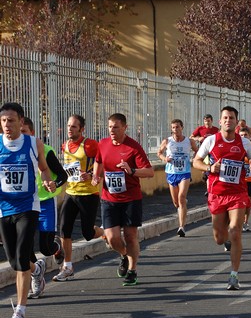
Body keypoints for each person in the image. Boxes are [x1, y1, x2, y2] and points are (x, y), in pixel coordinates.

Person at [0, 102, 55, 318]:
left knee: (21, 258)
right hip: (4, 209)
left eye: (11, 120)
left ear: (21, 122)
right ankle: (38, 269)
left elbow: (43, 168)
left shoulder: (34, 143)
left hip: (28, 207)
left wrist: (45, 179)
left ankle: (20, 314)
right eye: (3, 121)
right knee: (14, 262)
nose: (7, 125)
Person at [193, 105, 251, 290]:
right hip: (217, 194)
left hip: (238, 193)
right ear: (220, 121)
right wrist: (209, 168)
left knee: (236, 230)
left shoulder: (244, 143)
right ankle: (226, 239)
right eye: (225, 118)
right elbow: (196, 162)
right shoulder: (211, 141)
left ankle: (234, 275)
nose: (228, 120)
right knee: (219, 238)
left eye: (231, 118)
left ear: (237, 122)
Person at [92, 113, 154, 286]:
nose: (112, 130)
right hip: (109, 197)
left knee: (130, 235)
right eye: (110, 126)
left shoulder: (133, 147)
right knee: (112, 238)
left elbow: (149, 172)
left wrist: (131, 170)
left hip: (130, 198)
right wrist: (96, 175)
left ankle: (133, 271)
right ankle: (125, 254)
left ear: (125, 128)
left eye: (116, 127)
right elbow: (98, 161)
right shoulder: (103, 144)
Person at [53, 114, 104, 282]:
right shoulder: (65, 145)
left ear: (82, 129)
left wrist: (90, 175)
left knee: (88, 233)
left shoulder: (90, 145)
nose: (70, 129)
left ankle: (104, 232)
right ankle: (67, 266)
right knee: (64, 230)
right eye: (68, 125)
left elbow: (103, 164)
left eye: (74, 126)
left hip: (89, 194)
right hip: (71, 192)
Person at [21, 118, 68, 298]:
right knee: (24, 245)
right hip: (26, 204)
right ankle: (36, 272)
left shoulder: (45, 151)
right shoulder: (11, 151)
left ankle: (57, 247)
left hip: (46, 204)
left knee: (46, 248)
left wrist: (54, 184)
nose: (21, 135)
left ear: (32, 134)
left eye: (24, 131)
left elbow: (63, 175)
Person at [157, 119, 198, 237]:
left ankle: (182, 227)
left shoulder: (189, 141)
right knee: (176, 203)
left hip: (184, 173)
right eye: (173, 128)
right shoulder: (167, 141)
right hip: (171, 173)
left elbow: (197, 152)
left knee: (181, 196)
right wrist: (165, 159)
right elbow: (159, 153)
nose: (176, 130)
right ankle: (183, 204)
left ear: (182, 127)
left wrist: (194, 160)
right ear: (171, 129)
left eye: (178, 127)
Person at [239, 126, 251, 231]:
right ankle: (240, 222)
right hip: (240, 179)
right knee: (241, 201)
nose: (243, 137)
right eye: (241, 135)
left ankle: (246, 222)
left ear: (250, 136)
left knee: (248, 202)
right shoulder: (236, 147)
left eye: (245, 135)